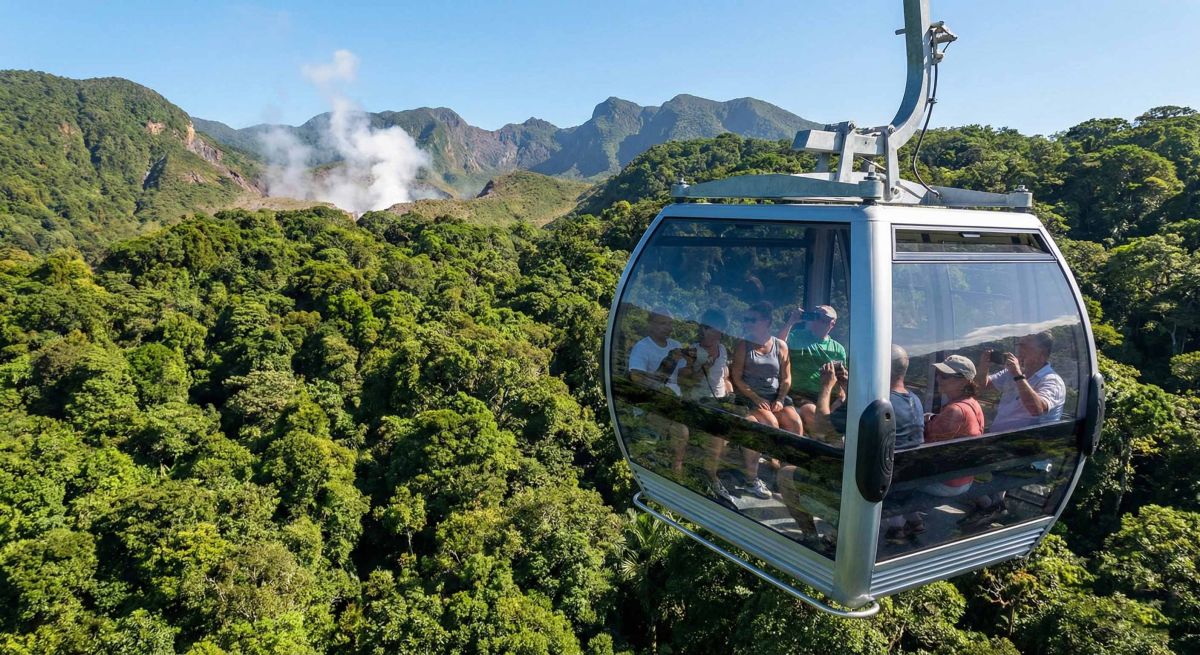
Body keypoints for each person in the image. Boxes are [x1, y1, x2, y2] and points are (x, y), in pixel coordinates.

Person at [965, 331, 1067, 523]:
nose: (1019, 350)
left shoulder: (1052, 381)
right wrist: (983, 367)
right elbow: (978, 389)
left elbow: (1036, 409)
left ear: (1042, 353)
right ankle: (994, 506)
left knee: (960, 463)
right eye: (1019, 345)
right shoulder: (1015, 371)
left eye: (1025, 346)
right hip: (1003, 445)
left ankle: (990, 506)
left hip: (1028, 454)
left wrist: (1018, 376)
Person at [730, 301, 803, 498]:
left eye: (751, 320)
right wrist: (755, 396)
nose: (747, 324)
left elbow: (786, 378)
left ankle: (786, 476)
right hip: (750, 396)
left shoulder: (780, 346)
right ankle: (752, 478)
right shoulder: (743, 346)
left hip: (775, 395)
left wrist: (780, 398)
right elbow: (736, 377)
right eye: (745, 320)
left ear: (766, 322)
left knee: (795, 423)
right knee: (770, 422)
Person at [627, 308, 691, 473]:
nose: (668, 327)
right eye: (663, 323)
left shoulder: (676, 345)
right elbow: (637, 380)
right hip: (651, 404)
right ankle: (675, 470)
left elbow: (685, 376)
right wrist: (668, 363)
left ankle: (675, 467)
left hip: (674, 401)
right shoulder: (642, 347)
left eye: (670, 323)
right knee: (681, 430)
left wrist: (696, 363)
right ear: (651, 324)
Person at [921, 354, 985, 497]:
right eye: (939, 374)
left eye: (944, 376)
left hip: (947, 483)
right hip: (964, 478)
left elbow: (925, 443)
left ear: (963, 382)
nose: (938, 379)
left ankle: (902, 520)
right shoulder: (973, 403)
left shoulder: (955, 410)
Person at [779, 305, 847, 405]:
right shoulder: (798, 336)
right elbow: (779, 345)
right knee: (813, 412)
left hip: (827, 395)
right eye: (817, 317)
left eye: (824, 319)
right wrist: (791, 322)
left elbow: (842, 380)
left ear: (832, 323)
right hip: (800, 393)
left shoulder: (838, 349)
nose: (819, 322)